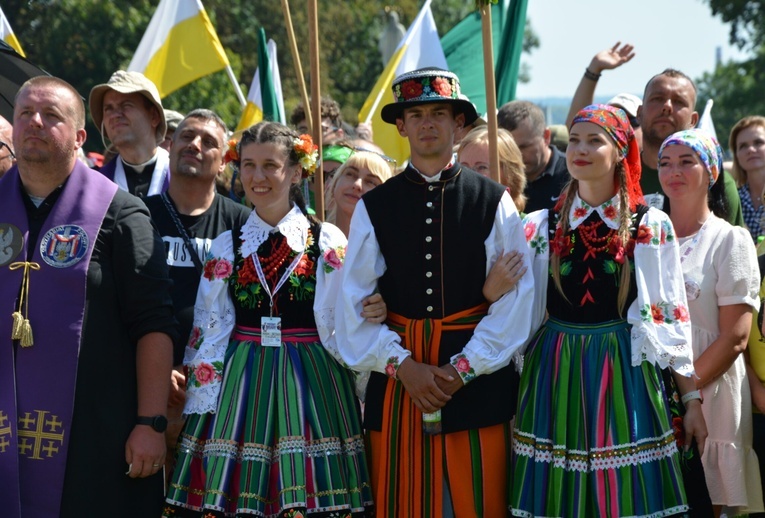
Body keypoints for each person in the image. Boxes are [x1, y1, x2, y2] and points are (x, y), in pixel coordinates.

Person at [336, 67, 536, 516]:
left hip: (478, 384)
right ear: (401, 126)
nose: (428, 123)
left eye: (439, 113)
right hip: (399, 385)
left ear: (458, 125)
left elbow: (516, 302)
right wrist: (403, 366)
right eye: (417, 114)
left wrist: (461, 369)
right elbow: (352, 303)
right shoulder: (375, 205)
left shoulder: (493, 199)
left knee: (478, 502)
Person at [163, 121, 373, 517]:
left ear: (295, 172)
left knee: (311, 491)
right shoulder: (228, 245)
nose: (257, 177)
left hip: (313, 378)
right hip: (242, 377)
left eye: (270, 166)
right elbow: (210, 325)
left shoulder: (326, 241)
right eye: (248, 165)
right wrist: (200, 389)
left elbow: (346, 319)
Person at [511, 105, 705, 517]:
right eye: (575, 139)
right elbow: (517, 315)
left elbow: (669, 318)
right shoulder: (538, 225)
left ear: (620, 150)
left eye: (594, 140)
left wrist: (692, 403)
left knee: (624, 496)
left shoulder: (649, 224)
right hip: (555, 368)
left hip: (623, 369)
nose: (579, 149)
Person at [0, 76, 177, 516]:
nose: (34, 123)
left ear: (80, 137)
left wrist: (150, 423)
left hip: (94, 433)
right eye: (25, 113)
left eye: (51, 116)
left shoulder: (119, 213)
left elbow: (153, 323)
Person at [658, 129, 763, 516]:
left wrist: (684, 394)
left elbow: (735, 337)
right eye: (666, 163)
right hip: (653, 390)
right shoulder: (647, 234)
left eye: (688, 161)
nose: (675, 171)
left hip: (710, 393)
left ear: (712, 171)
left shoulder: (729, 240)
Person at [142, 109, 251, 478]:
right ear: (168, 145)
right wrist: (158, 369)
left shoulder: (242, 225)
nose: (195, 144)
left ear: (224, 163)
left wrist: (200, 370)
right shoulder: (134, 214)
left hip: (217, 395)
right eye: (187, 136)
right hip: (143, 389)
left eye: (208, 141)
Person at [637, 69, 744, 227]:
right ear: (639, 113)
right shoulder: (616, 177)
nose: (667, 106)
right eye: (657, 98)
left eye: (679, 101)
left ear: (693, 121)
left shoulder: (714, 182)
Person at [89, 70, 169, 198]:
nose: (115, 115)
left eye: (126, 105)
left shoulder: (182, 178)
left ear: (154, 116)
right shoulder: (94, 186)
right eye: (108, 108)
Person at [498, 99, 570, 212]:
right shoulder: (496, 177)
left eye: (523, 147)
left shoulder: (572, 175)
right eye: (508, 149)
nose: (516, 156)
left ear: (546, 137)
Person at [457, 125, 527, 212]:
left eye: (482, 167)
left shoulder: (524, 224)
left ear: (509, 173)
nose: (470, 175)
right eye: (464, 167)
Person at [325, 149, 395, 237]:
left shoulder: (390, 250)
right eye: (350, 174)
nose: (357, 185)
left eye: (370, 182)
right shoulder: (309, 240)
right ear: (334, 185)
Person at [729, 115, 765, 242]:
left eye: (758, 142)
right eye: (743, 146)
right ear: (736, 155)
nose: (750, 149)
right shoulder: (731, 200)